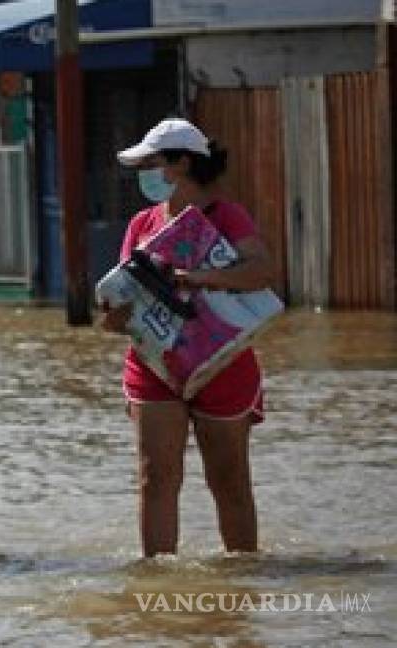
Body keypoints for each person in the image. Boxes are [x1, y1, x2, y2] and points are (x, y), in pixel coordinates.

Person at [101, 118, 275, 557]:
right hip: (153, 364)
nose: (143, 172)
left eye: (151, 162)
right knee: (155, 477)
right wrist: (113, 315)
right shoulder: (141, 224)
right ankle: (158, 591)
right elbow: (121, 307)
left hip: (221, 362)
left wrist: (200, 277)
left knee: (228, 479)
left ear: (182, 163)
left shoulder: (226, 216)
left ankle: (242, 584)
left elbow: (262, 272)